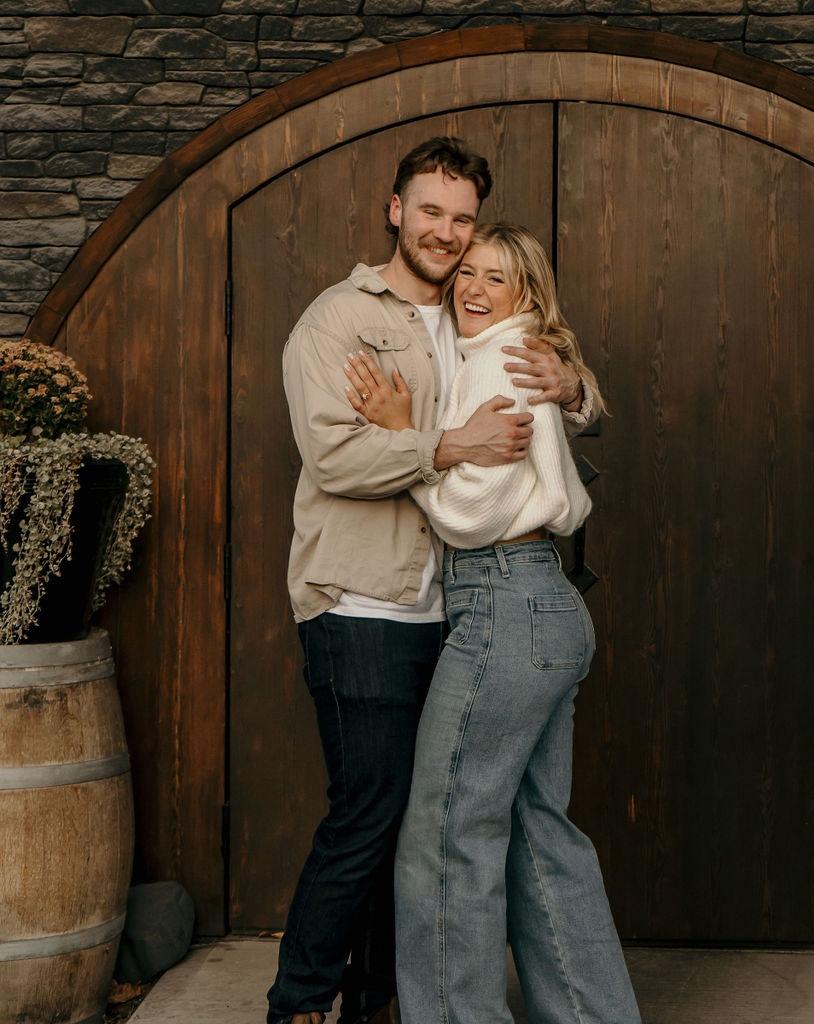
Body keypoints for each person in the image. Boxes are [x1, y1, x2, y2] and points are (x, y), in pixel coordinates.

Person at [271, 139, 595, 1024]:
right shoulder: (337, 320)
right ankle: (299, 1002)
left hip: (454, 612)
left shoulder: (469, 312)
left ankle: (379, 1000)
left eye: (461, 218)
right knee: (372, 814)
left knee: (424, 820)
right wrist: (448, 444)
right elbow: (335, 458)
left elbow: (540, 390)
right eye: (430, 212)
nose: (446, 234)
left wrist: (573, 386)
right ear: (395, 210)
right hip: (362, 603)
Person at [347, 223, 641, 1024]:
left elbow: (470, 514)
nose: (473, 288)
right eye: (468, 272)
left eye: (496, 278)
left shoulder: (499, 362)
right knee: (539, 834)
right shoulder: (506, 350)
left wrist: (408, 439)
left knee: (447, 831)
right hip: (543, 604)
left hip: (503, 601)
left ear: (527, 295)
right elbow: (563, 411)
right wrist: (576, 385)